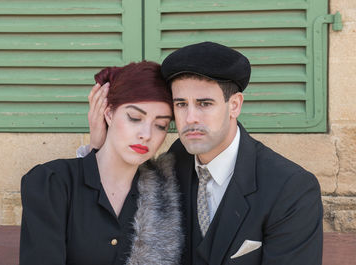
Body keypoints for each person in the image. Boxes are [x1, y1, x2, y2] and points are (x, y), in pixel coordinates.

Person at [86, 42, 323, 265]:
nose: (190, 119)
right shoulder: (174, 162)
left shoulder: (291, 188)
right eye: (180, 104)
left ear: (235, 105)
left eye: (204, 104)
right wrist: (100, 145)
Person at [19, 61, 184, 265]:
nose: (146, 135)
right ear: (108, 113)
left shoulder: (165, 194)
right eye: (134, 118)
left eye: (160, 125)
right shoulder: (53, 182)